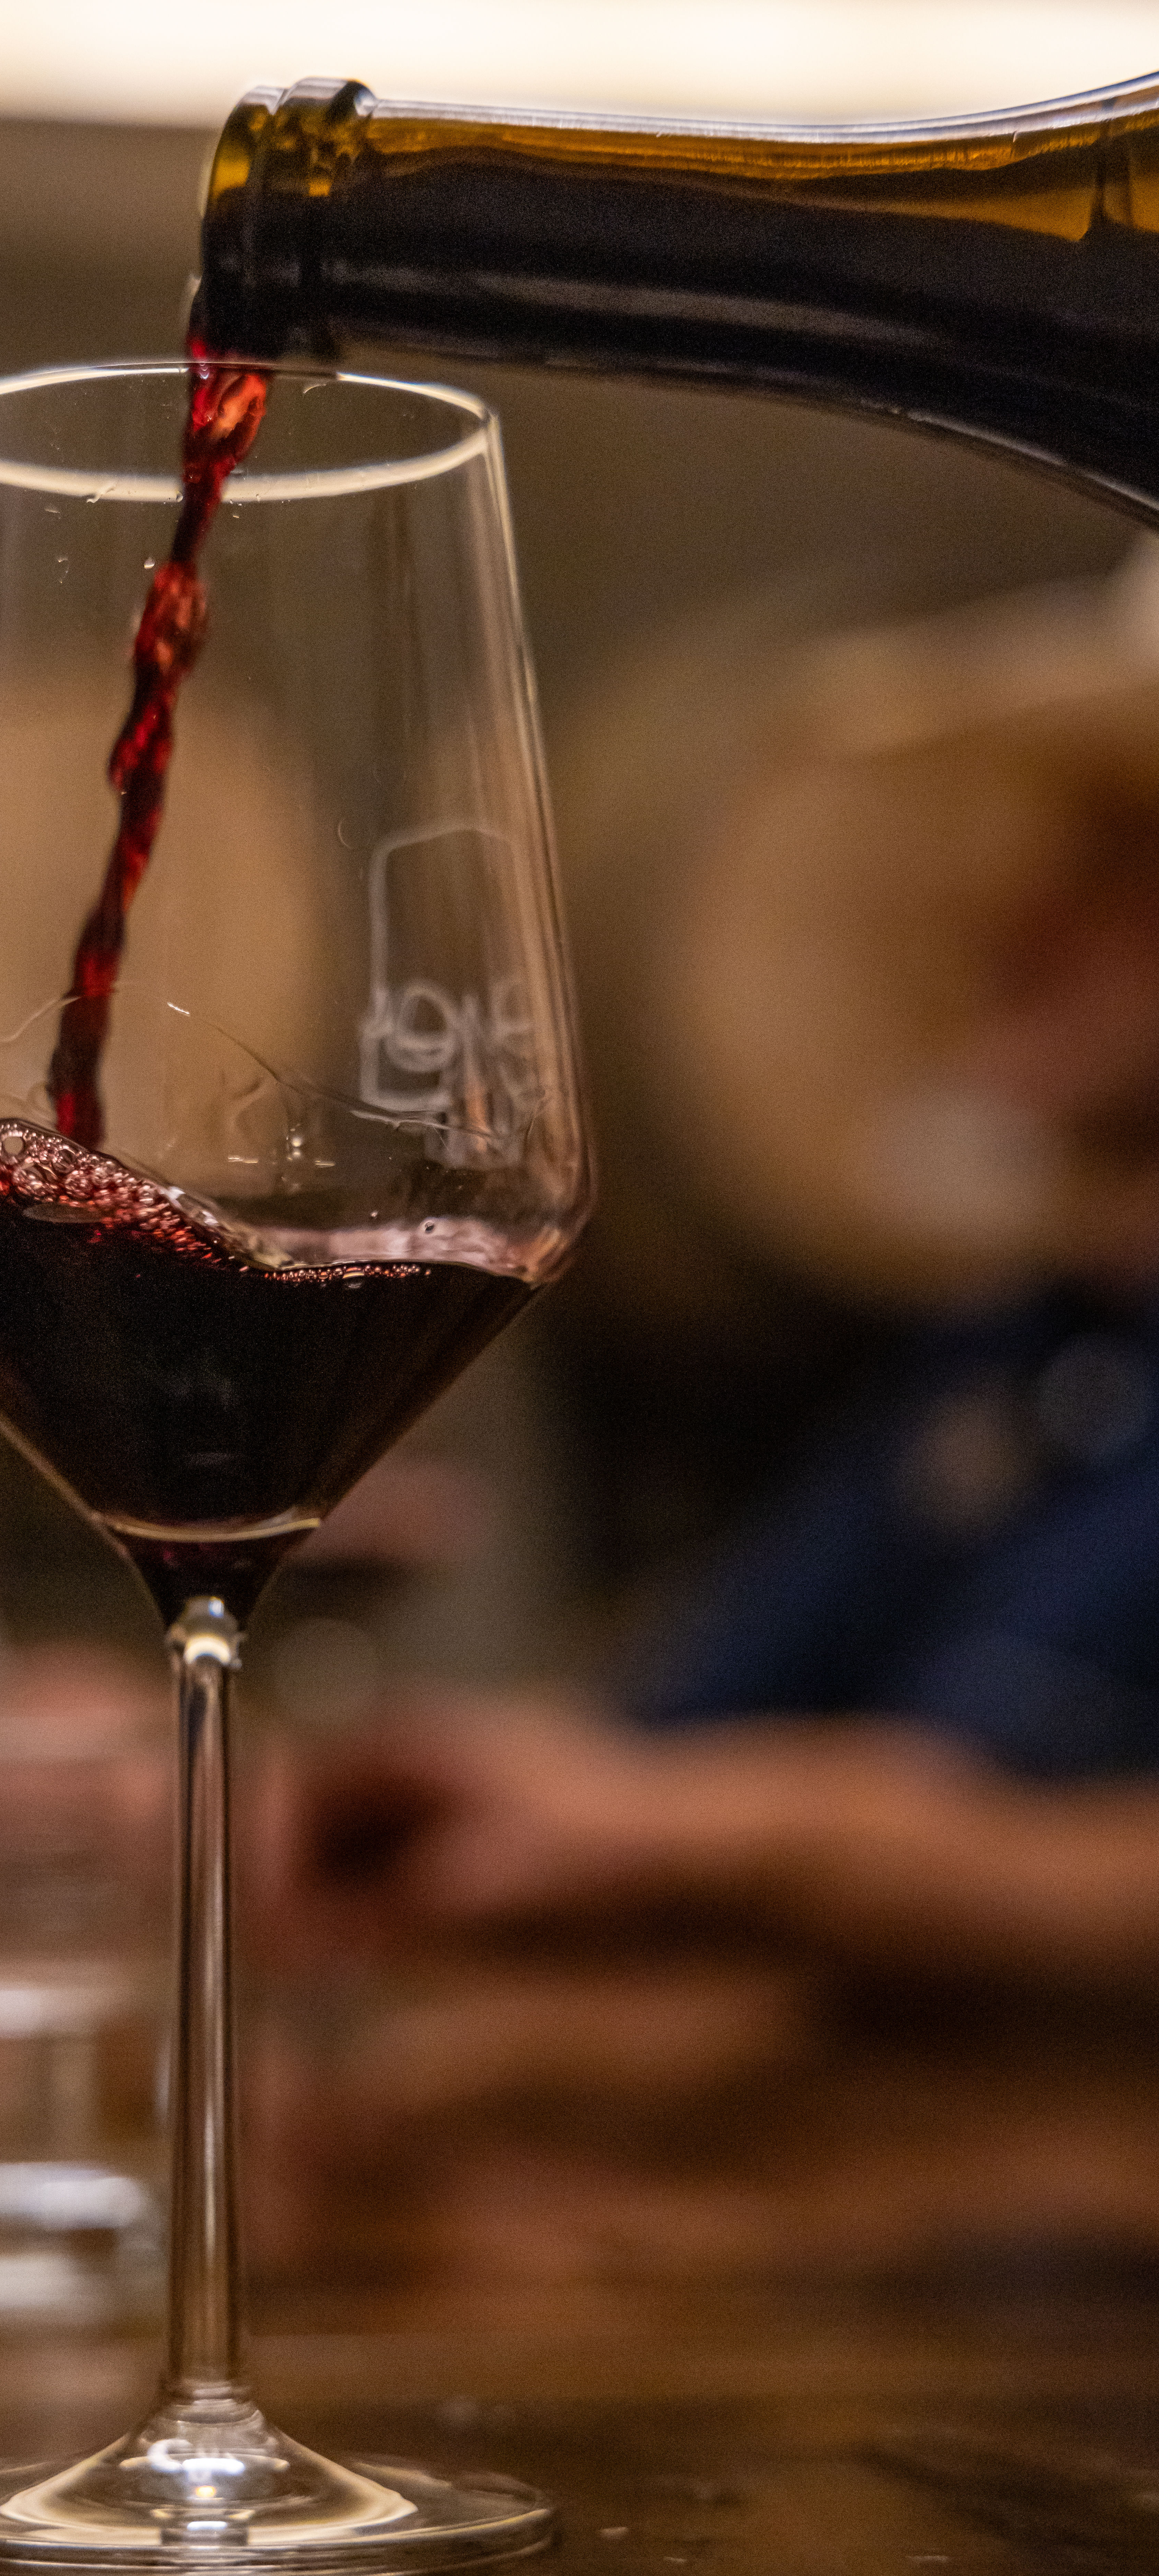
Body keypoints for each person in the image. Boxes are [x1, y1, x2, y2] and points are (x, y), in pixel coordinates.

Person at [255, 553, 1159, 2285]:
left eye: (1115, 861)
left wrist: (750, 1845)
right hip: (913, 2285)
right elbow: (663, 1737)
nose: (1015, 917)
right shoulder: (1005, 1361)